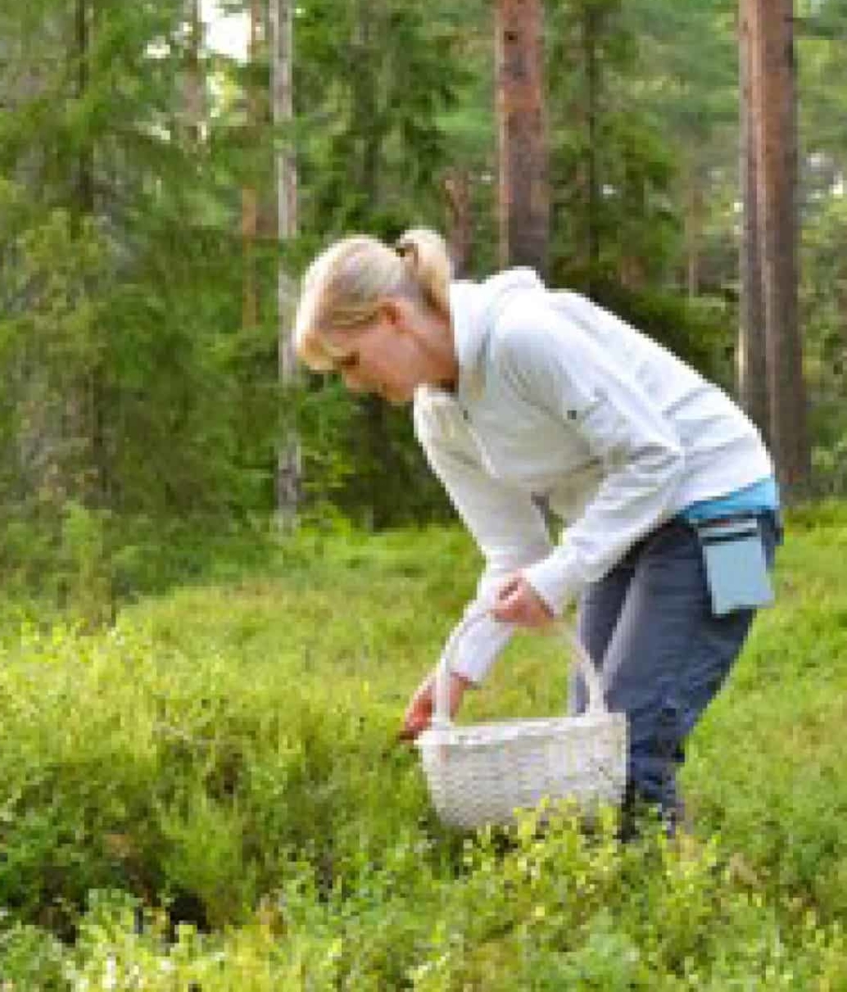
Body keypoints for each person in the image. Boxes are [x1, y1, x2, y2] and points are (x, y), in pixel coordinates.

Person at [293, 228, 780, 830]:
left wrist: (559, 576)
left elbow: (656, 456)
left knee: (627, 748)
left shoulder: (525, 336)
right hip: (623, 529)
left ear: (392, 317)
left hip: (725, 511)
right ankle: (638, 893)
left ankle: (663, 911)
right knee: (587, 752)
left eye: (350, 360)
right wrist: (459, 672)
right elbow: (514, 552)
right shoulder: (438, 417)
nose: (353, 382)